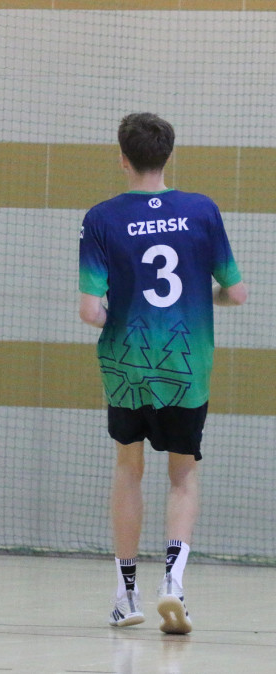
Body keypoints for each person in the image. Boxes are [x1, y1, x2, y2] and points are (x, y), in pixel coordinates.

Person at [78, 112, 246, 634]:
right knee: (184, 473)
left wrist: (118, 316)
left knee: (129, 468)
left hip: (126, 367)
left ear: (123, 157)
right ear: (168, 156)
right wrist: (209, 296)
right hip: (186, 365)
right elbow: (237, 293)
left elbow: (90, 310)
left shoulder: (102, 218)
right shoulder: (201, 211)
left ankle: (125, 595)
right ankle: (172, 584)